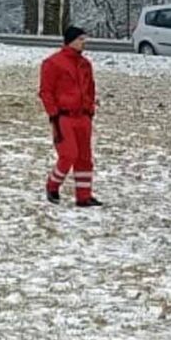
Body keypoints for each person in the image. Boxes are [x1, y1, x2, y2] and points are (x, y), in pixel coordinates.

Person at [41, 25, 100, 207]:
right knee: (68, 154)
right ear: (71, 41)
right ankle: (53, 184)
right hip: (64, 116)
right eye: (81, 40)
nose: (84, 43)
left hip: (83, 116)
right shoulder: (53, 63)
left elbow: (90, 88)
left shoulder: (85, 64)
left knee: (84, 157)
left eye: (85, 40)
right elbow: (46, 91)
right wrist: (54, 114)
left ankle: (84, 196)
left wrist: (90, 109)